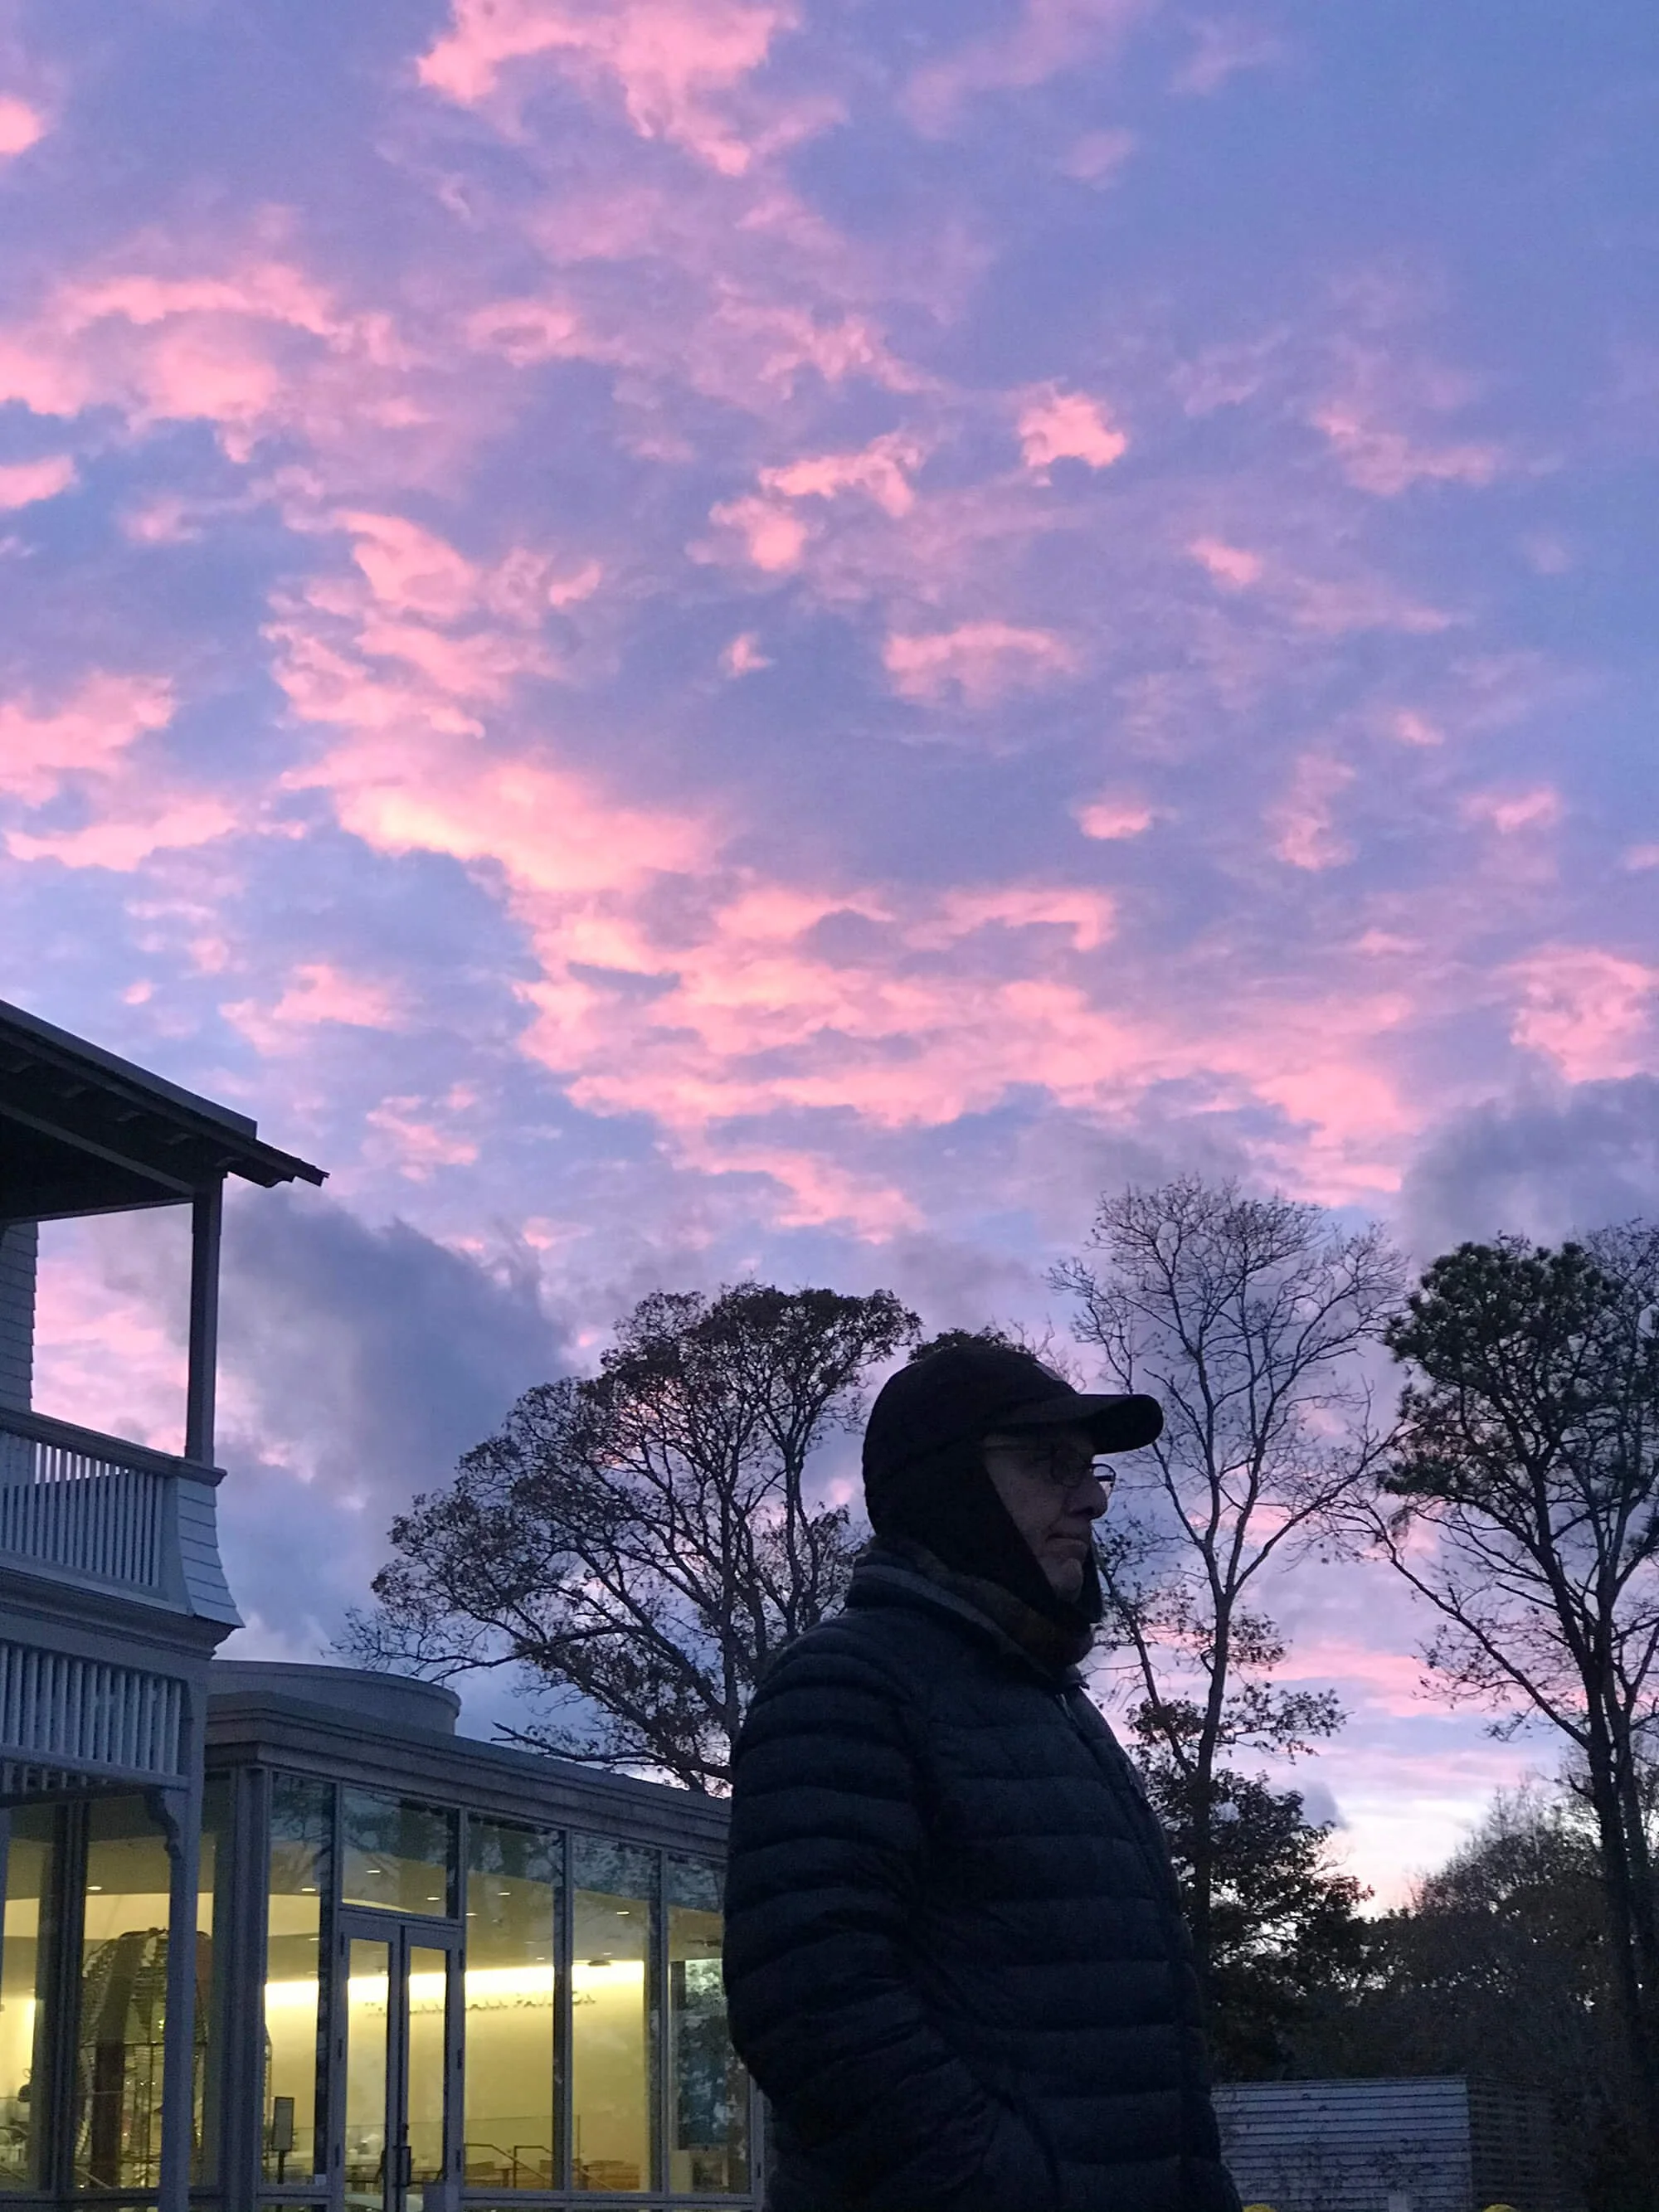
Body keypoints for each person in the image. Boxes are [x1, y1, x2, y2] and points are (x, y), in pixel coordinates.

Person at [722, 1339, 1241, 2212]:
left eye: (1090, 1472)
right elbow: (811, 2006)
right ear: (946, 1485)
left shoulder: (1056, 1708)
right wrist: (1008, 2187)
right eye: (1048, 1464)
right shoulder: (847, 1683)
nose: (1086, 1500)